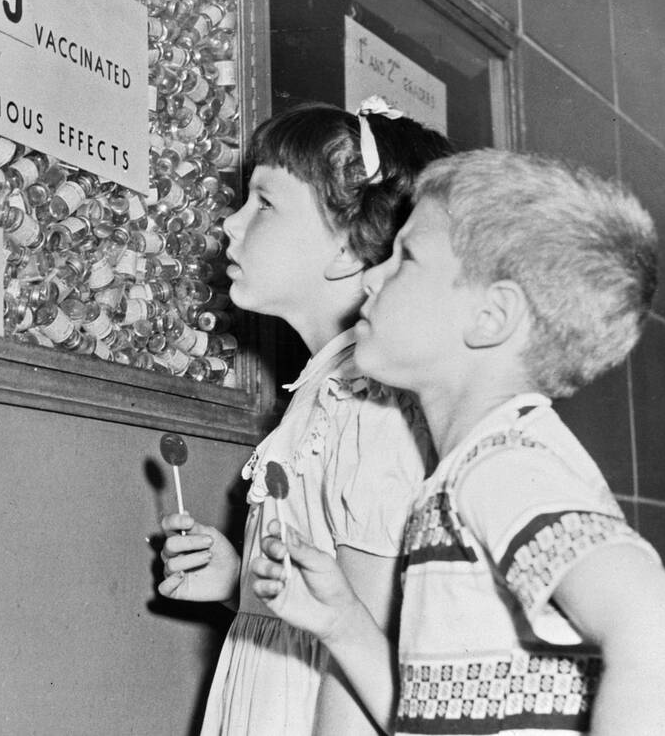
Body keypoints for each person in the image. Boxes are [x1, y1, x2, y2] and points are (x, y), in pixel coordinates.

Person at [250, 149, 665, 736]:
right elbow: (430, 718)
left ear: (491, 317)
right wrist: (342, 621)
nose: (371, 276)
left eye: (406, 257)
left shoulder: (500, 468)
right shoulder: (466, 476)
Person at [158, 99, 451, 735]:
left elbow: (358, 636)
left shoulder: (371, 402)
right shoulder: (325, 384)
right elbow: (316, 591)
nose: (231, 226)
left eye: (263, 204)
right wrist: (240, 580)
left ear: (347, 251)